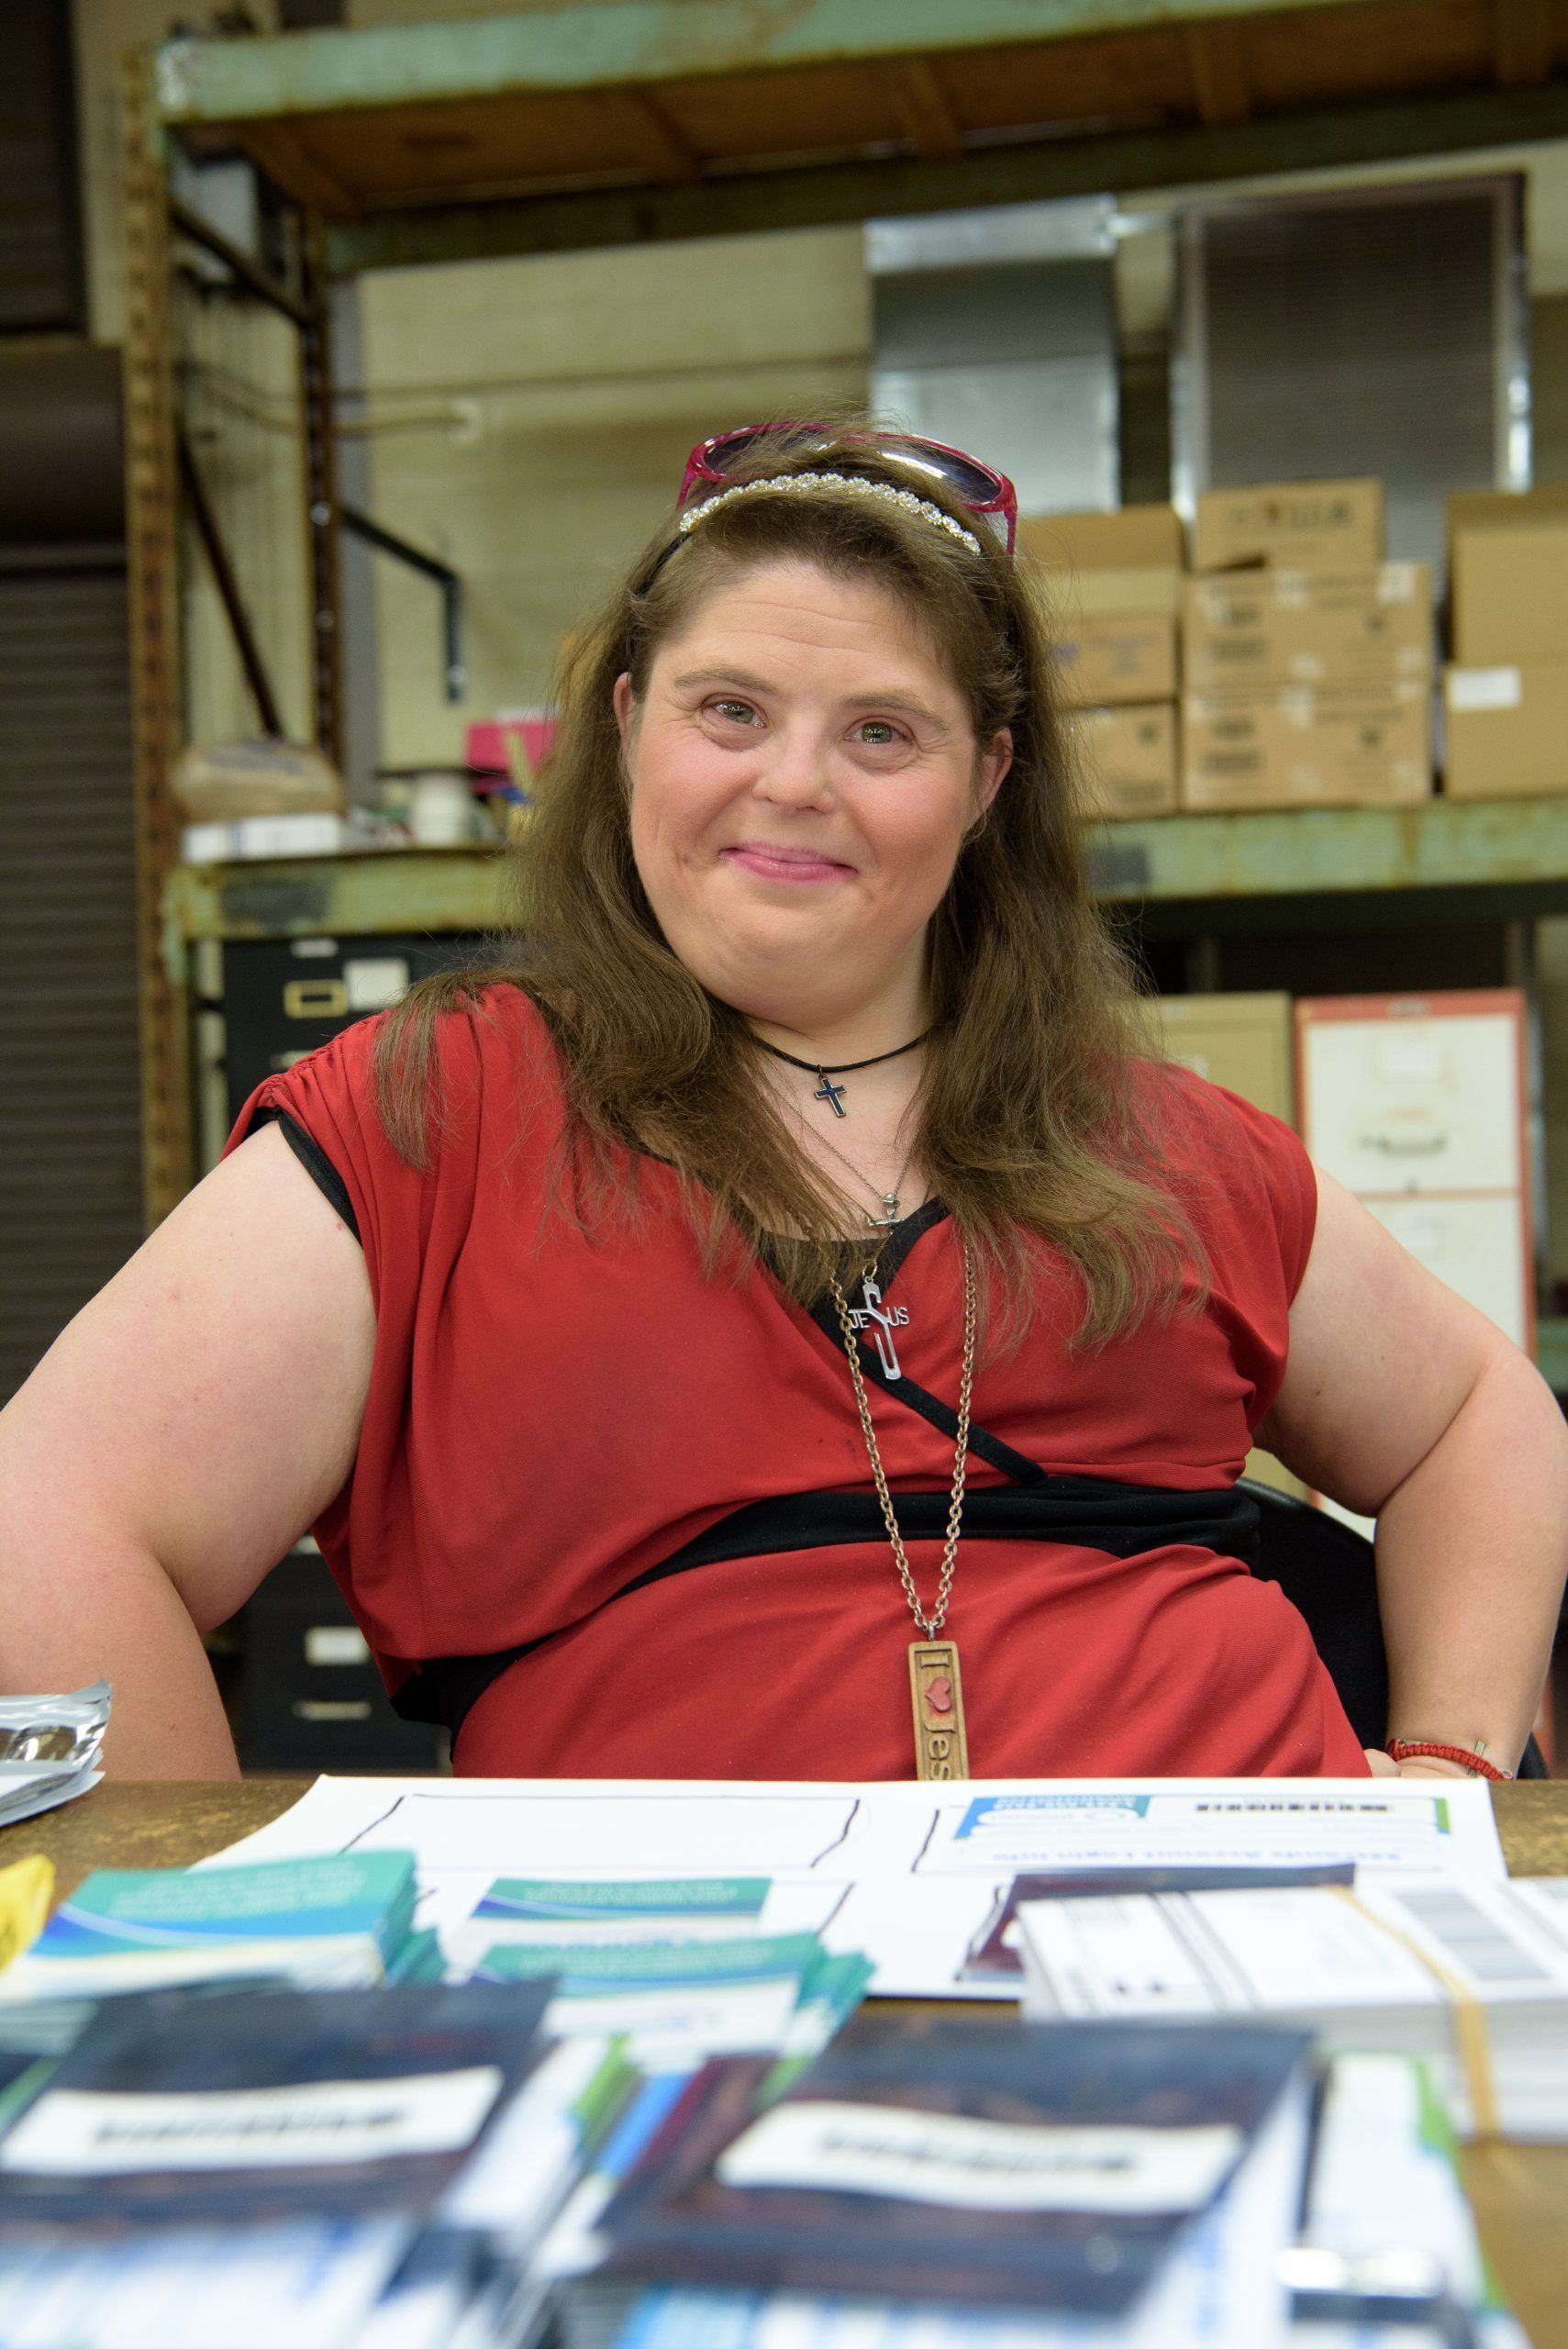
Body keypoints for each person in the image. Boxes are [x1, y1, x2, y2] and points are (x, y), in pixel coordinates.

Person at [1, 421, 1563, 1785]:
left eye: (879, 732)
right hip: (674, 2004)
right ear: (625, 730)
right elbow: (53, 1518)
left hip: (1237, 1957)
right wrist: (200, 1944)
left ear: (987, 780)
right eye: (729, 711)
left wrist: (1448, 1772)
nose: (794, 783)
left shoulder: (1157, 1139)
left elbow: (1480, 1419)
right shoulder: (434, 1112)